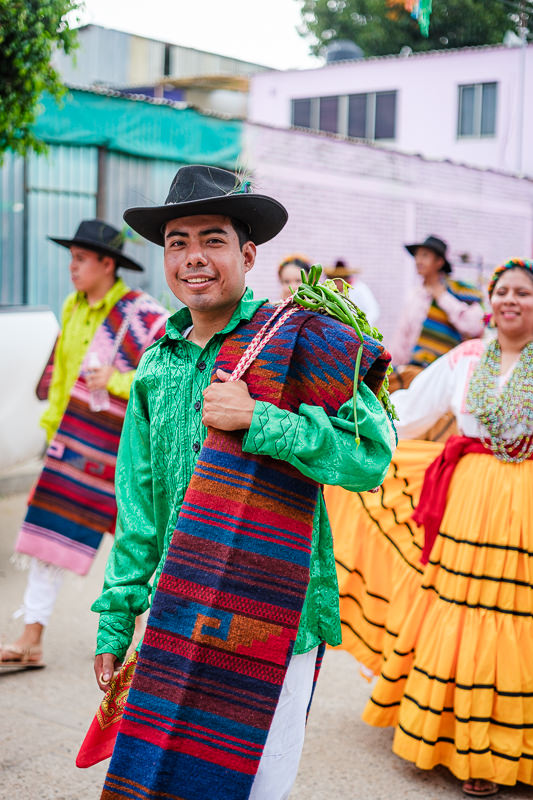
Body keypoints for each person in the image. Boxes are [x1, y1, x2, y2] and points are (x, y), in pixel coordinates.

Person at [88, 165, 394, 800]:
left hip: (272, 610)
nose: (194, 258)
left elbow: (368, 458)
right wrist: (117, 621)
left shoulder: (301, 339)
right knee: (170, 778)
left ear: (248, 253)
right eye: (178, 242)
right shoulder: (155, 363)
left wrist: (263, 421)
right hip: (181, 608)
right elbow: (139, 510)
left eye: (213, 240)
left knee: (256, 785)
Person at [333, 258, 533, 797]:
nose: (511, 299)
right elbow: (407, 412)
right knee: (462, 611)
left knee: (517, 616)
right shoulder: (468, 358)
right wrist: (344, 422)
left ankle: (506, 751)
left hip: (527, 511)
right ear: (490, 301)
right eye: (502, 291)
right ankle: (452, 739)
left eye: (523, 292)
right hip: (468, 502)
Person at [0, 220, 168, 669]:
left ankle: (147, 640)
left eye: (80, 259)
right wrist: (52, 433)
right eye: (71, 258)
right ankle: (31, 637)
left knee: (142, 545)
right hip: (72, 448)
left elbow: (169, 377)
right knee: (47, 535)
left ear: (107, 264)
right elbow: (60, 379)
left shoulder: (145, 315)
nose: (72, 268)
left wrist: (114, 380)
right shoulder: (72, 307)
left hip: (127, 452)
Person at [390, 235, 484, 373]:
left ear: (439, 262)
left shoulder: (458, 291)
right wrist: (394, 367)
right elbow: (403, 335)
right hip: (414, 369)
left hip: (447, 371)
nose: (418, 260)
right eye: (417, 256)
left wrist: (442, 297)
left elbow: (475, 326)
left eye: (425, 255)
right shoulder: (416, 294)